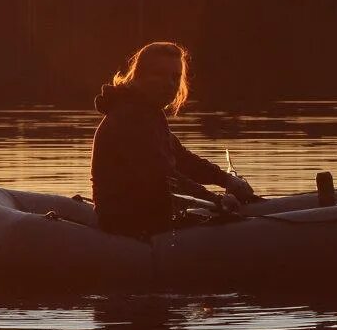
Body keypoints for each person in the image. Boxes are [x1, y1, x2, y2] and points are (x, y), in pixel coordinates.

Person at [90, 42, 256, 240]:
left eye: (175, 77)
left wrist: (226, 179)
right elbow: (162, 177)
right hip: (129, 227)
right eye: (159, 74)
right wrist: (217, 201)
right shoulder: (130, 116)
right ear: (139, 76)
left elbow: (182, 159)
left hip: (149, 219)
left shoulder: (148, 112)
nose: (169, 83)